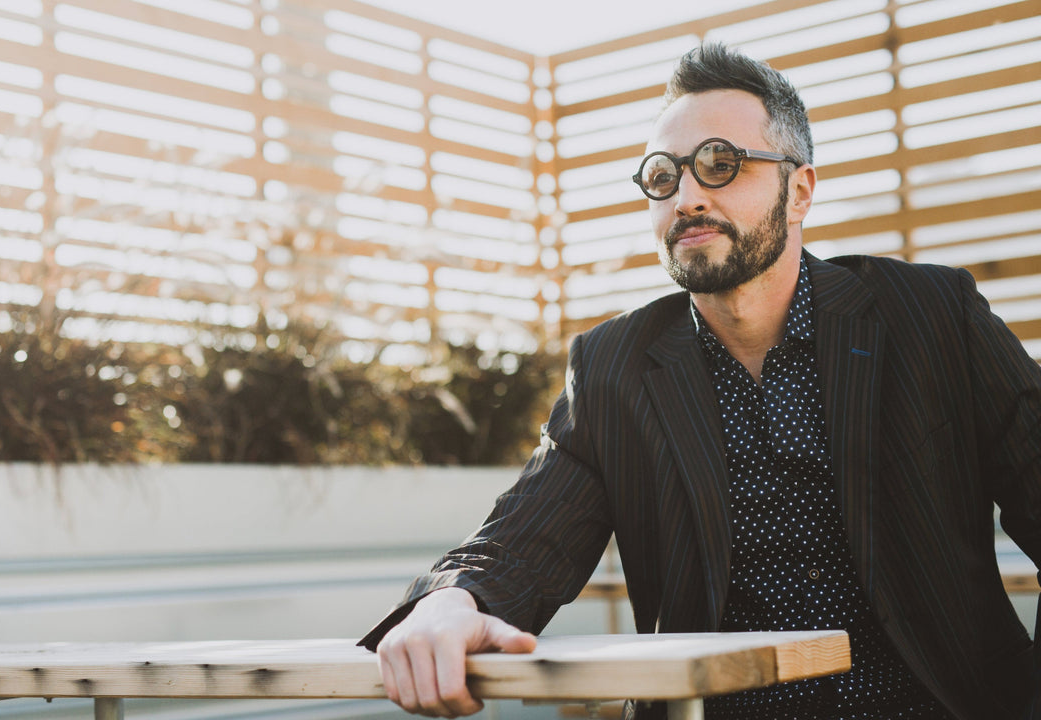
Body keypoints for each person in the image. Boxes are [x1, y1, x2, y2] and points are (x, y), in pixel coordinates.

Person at [358, 43, 1041, 720]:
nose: (687, 196)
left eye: (720, 164)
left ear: (799, 189)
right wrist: (451, 601)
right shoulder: (614, 367)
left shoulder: (931, 316)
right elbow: (522, 540)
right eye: (662, 176)